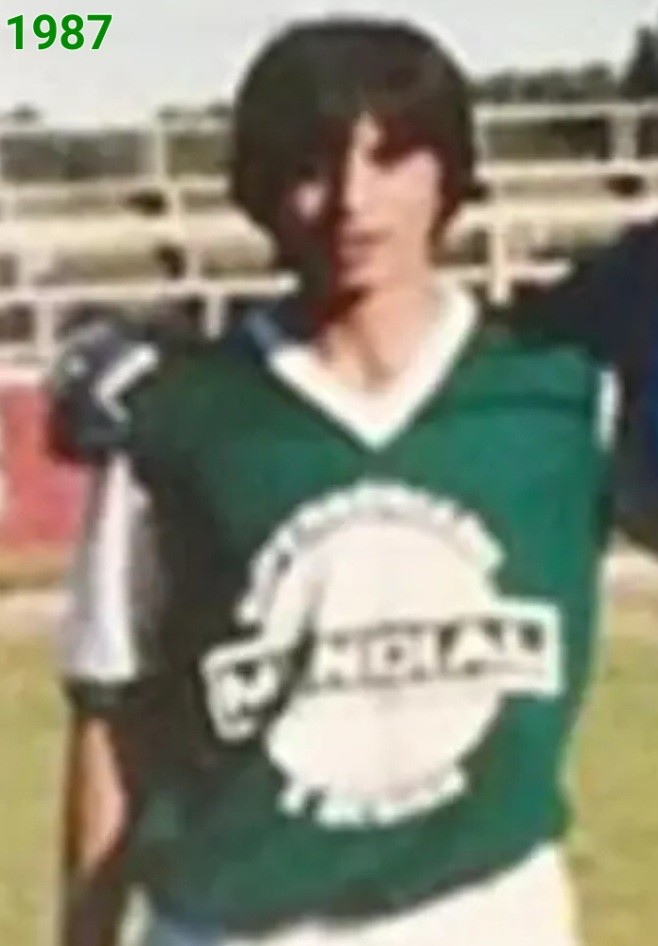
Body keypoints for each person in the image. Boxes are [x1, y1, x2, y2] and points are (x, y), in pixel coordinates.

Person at [52, 17, 658, 946]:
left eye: (393, 157)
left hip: (488, 916)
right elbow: (110, 717)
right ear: (259, 188)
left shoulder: (567, 395)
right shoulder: (166, 417)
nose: (351, 200)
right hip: (237, 925)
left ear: (450, 174)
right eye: (311, 165)